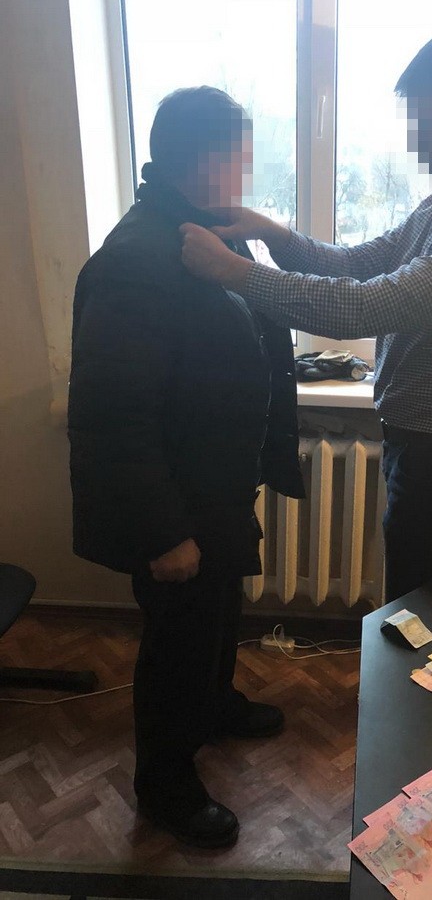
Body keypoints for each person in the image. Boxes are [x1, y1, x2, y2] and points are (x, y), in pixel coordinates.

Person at [179, 32, 432, 603]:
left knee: (422, 612)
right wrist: (273, 234)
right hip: (426, 448)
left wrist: (234, 272)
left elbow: (367, 305)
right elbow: (358, 264)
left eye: (427, 122)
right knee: (414, 603)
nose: (414, 139)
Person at [68, 87, 303, 848]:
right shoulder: (137, 259)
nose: (246, 170)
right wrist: (163, 531)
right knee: (177, 640)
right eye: (239, 155)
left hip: (217, 485)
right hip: (177, 502)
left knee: (219, 614)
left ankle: (215, 705)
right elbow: (113, 412)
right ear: (201, 161)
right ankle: (165, 782)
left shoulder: (205, 231)